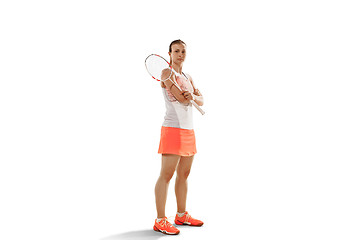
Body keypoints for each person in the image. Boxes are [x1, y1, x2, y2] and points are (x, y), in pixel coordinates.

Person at [153, 40, 204, 235]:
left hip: (188, 130)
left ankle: (181, 215)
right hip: (173, 129)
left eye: (183, 51)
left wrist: (193, 96)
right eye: (176, 51)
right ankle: (160, 220)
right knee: (166, 175)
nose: (180, 54)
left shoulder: (187, 76)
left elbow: (201, 99)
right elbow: (183, 98)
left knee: (184, 174)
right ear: (170, 53)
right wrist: (191, 96)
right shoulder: (167, 74)